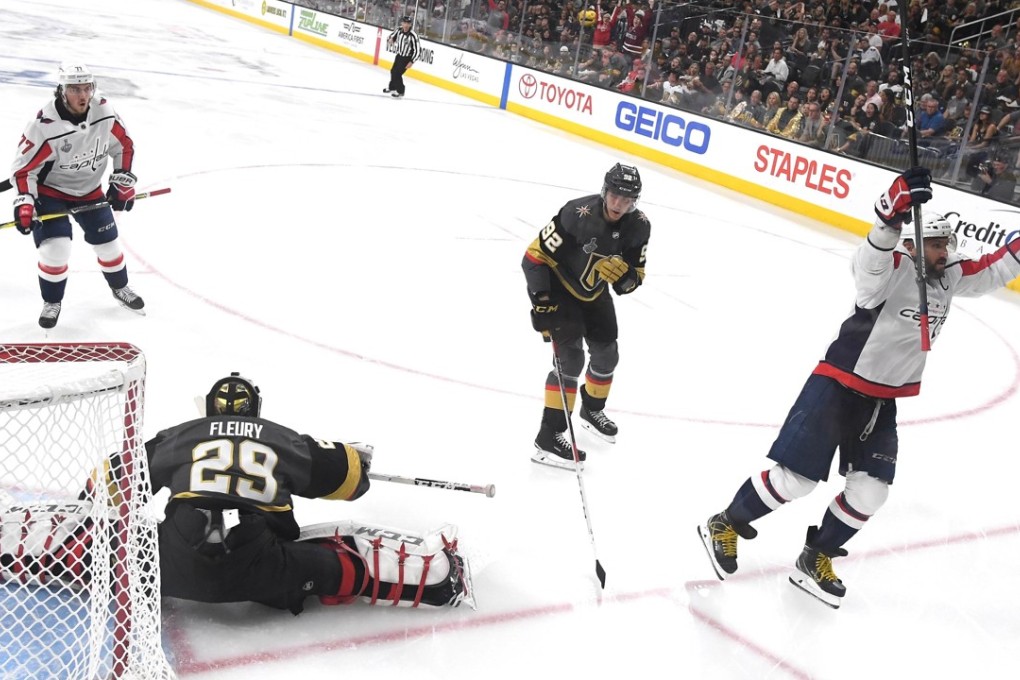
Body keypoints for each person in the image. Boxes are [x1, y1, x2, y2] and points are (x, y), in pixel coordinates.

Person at [697, 167, 1020, 609]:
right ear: (913, 243)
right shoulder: (891, 269)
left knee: (872, 490)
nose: (943, 251)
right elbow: (870, 260)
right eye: (935, 243)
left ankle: (816, 556)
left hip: (882, 399)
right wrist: (891, 212)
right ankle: (725, 523)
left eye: (946, 244)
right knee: (796, 481)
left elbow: (997, 268)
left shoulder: (950, 276)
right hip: (838, 384)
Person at [145, 372, 471, 613]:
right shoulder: (279, 439)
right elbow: (350, 480)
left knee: (114, 542)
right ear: (256, 408)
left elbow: (110, 483)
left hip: (170, 566)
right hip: (261, 567)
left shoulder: (176, 436)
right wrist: (355, 460)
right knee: (345, 564)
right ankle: (441, 580)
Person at [523, 164, 651, 469]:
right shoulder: (575, 213)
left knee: (608, 355)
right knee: (571, 361)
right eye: (616, 194)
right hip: (558, 289)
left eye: (628, 197)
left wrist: (624, 279)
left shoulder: (640, 226)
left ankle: (591, 410)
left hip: (594, 292)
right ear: (605, 190)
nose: (620, 203)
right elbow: (533, 258)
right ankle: (548, 436)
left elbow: (637, 275)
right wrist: (541, 303)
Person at [10, 62, 144, 329]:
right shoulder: (43, 126)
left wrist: (121, 181)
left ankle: (121, 287)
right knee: (56, 250)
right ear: (61, 91)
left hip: (89, 190)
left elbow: (124, 147)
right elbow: (24, 170)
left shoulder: (104, 112)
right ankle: (52, 301)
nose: (83, 96)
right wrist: (25, 202)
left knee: (108, 245)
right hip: (51, 194)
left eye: (87, 88)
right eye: (74, 89)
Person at [384, 16, 421, 98]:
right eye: (404, 23)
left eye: (408, 23)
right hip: (399, 55)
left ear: (410, 24)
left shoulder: (413, 35)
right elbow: (391, 36)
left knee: (397, 74)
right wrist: (391, 40)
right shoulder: (399, 30)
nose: (406, 25)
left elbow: (418, 50)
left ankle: (400, 91)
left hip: (406, 58)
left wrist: (412, 61)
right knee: (393, 71)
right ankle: (392, 87)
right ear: (402, 23)